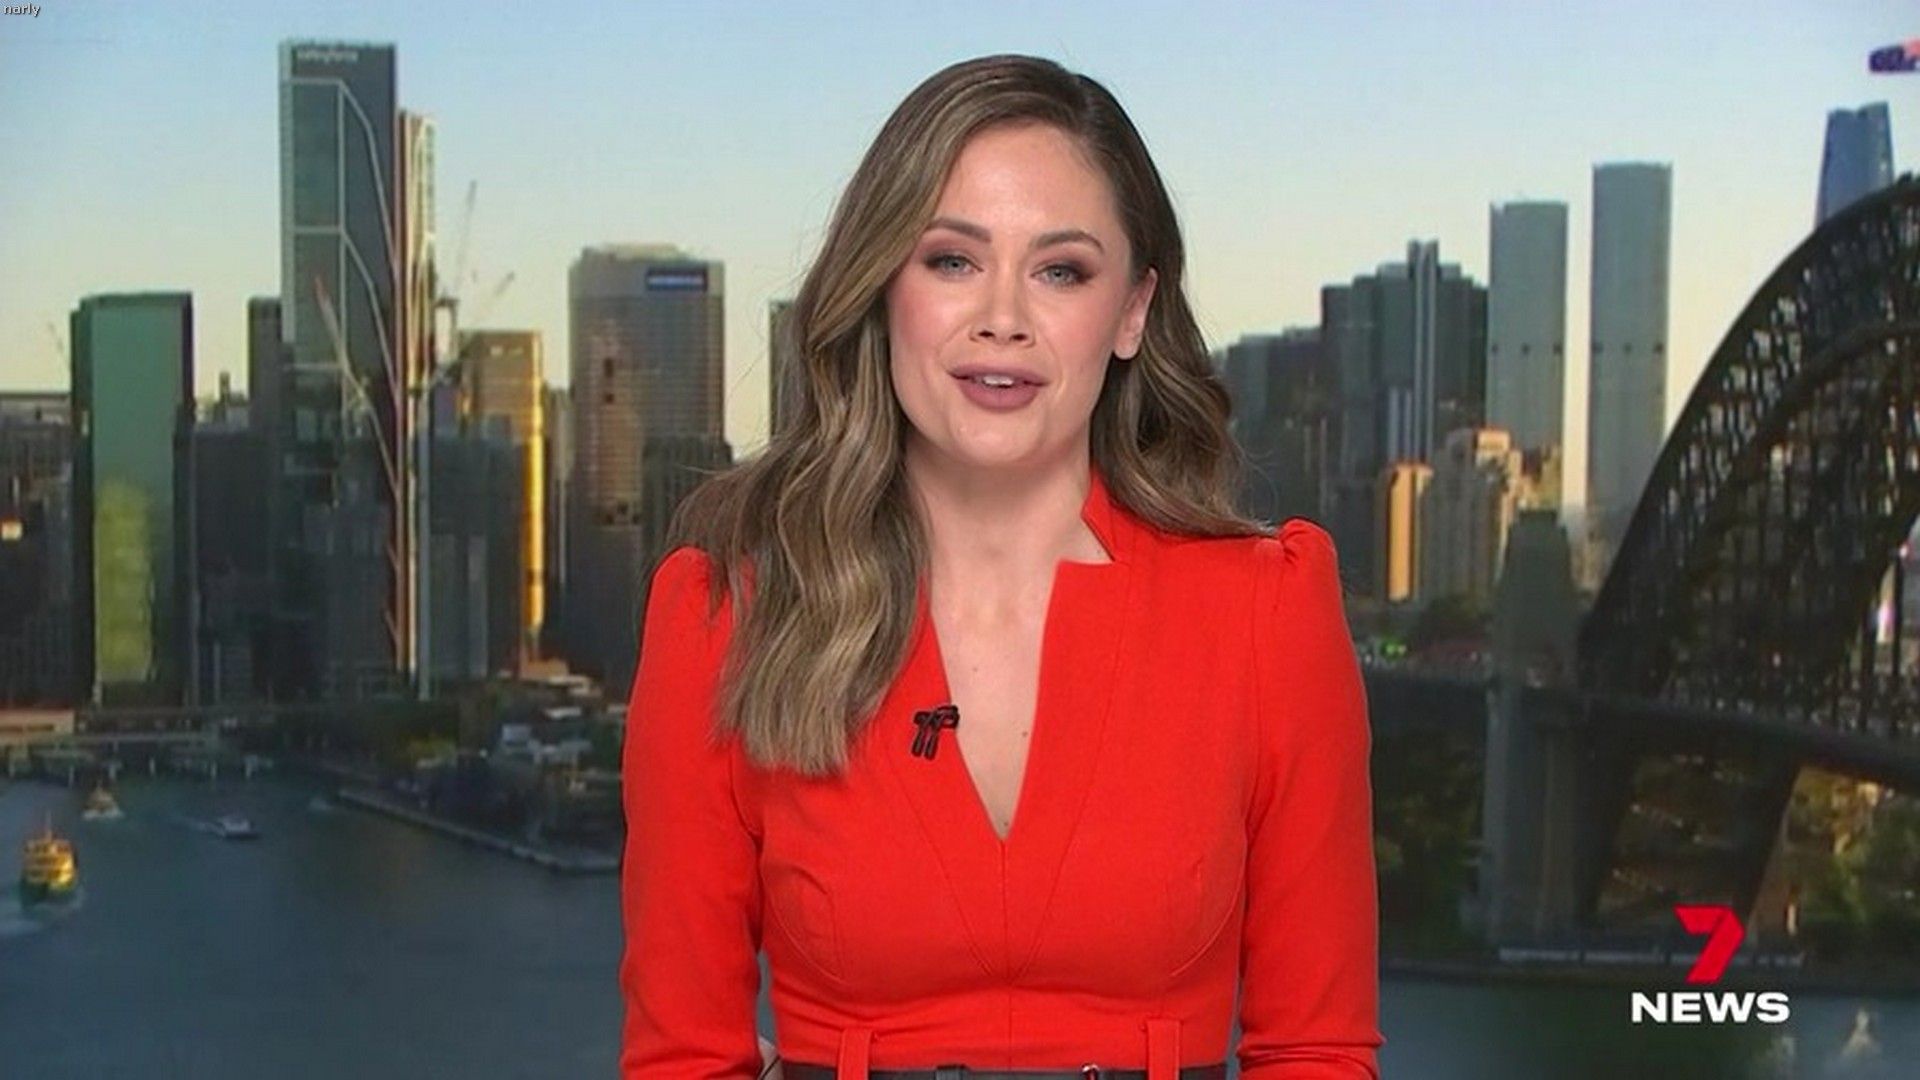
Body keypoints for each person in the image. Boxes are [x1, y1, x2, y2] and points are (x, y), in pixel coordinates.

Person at [621, 54, 1381, 1079]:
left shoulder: (1264, 613)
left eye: (1061, 270)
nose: (1004, 318)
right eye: (951, 260)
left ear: (1132, 312)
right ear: (881, 287)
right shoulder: (725, 616)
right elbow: (681, 1056)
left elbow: (1316, 1048)